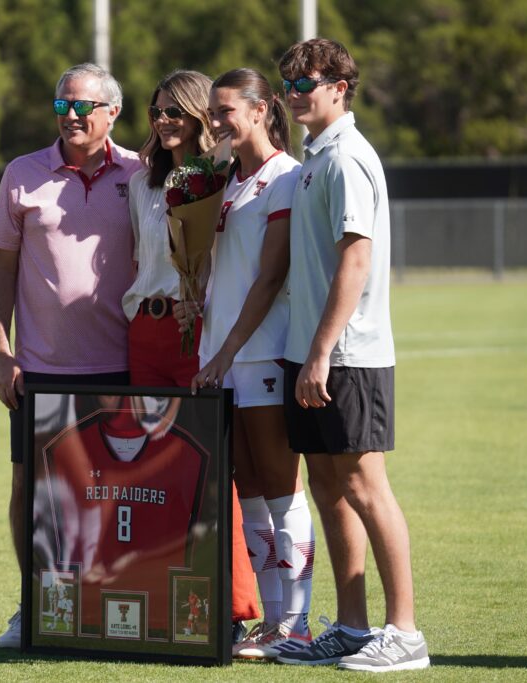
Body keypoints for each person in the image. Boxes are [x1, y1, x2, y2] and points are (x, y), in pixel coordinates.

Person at [274, 39, 430, 671]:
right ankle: (352, 626)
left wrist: (320, 352)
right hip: (310, 353)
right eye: (287, 84)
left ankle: (406, 633)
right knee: (327, 486)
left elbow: (356, 260)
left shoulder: (347, 157)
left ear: (340, 87)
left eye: (305, 83)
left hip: (347, 355)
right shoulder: (314, 157)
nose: (293, 94)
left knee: (365, 485)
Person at [0, 63, 143, 649]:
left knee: (117, 494)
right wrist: (1, 350)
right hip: (41, 370)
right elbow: (0, 269)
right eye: (61, 105)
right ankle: (34, 602)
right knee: (31, 488)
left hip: (124, 367)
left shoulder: (142, 174)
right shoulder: (21, 174)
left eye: (83, 106)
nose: (71, 116)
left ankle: (109, 605)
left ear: (112, 112)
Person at [121, 69, 260, 644]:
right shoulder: (140, 184)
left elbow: (228, 258)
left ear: (200, 114)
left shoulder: (222, 177)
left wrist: (196, 299)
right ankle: (167, 603)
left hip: (199, 336)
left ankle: (236, 610)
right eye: (156, 111)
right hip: (145, 336)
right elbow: (144, 261)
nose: (162, 121)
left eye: (174, 111)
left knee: (212, 473)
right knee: (156, 475)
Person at [184, 68, 313, 660]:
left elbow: (270, 277)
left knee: (282, 490)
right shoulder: (224, 180)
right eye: (212, 111)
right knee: (250, 492)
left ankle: (298, 624)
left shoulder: (284, 177)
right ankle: (273, 620)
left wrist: (228, 350)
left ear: (261, 110)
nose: (215, 120)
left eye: (226, 110)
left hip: (261, 351)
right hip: (222, 354)